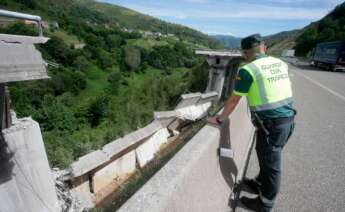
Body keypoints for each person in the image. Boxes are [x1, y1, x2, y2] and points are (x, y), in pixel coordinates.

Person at [207, 34, 295, 212]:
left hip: (271, 124)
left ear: (247, 52)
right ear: (264, 48)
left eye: (244, 53)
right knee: (264, 154)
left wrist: (220, 119)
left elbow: (233, 100)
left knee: (272, 166)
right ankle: (258, 184)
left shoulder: (248, 70)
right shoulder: (280, 64)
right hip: (287, 120)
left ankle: (265, 204)